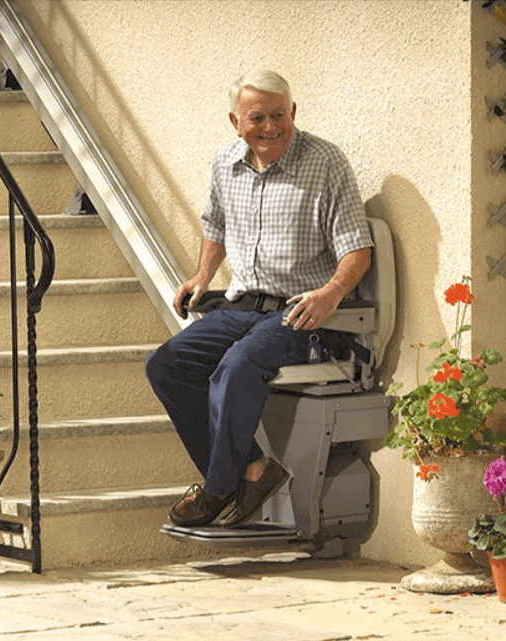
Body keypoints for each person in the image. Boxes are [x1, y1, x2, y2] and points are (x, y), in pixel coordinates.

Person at [145, 69, 373, 529]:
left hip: (302, 312)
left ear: (293, 112)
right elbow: (216, 226)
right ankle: (253, 468)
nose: (269, 127)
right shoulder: (225, 163)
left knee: (237, 366)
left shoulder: (326, 164)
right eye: (257, 118)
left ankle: (217, 489)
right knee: (167, 364)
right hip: (241, 304)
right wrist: (202, 275)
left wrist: (331, 293)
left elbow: (358, 249)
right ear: (235, 122)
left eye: (278, 115)